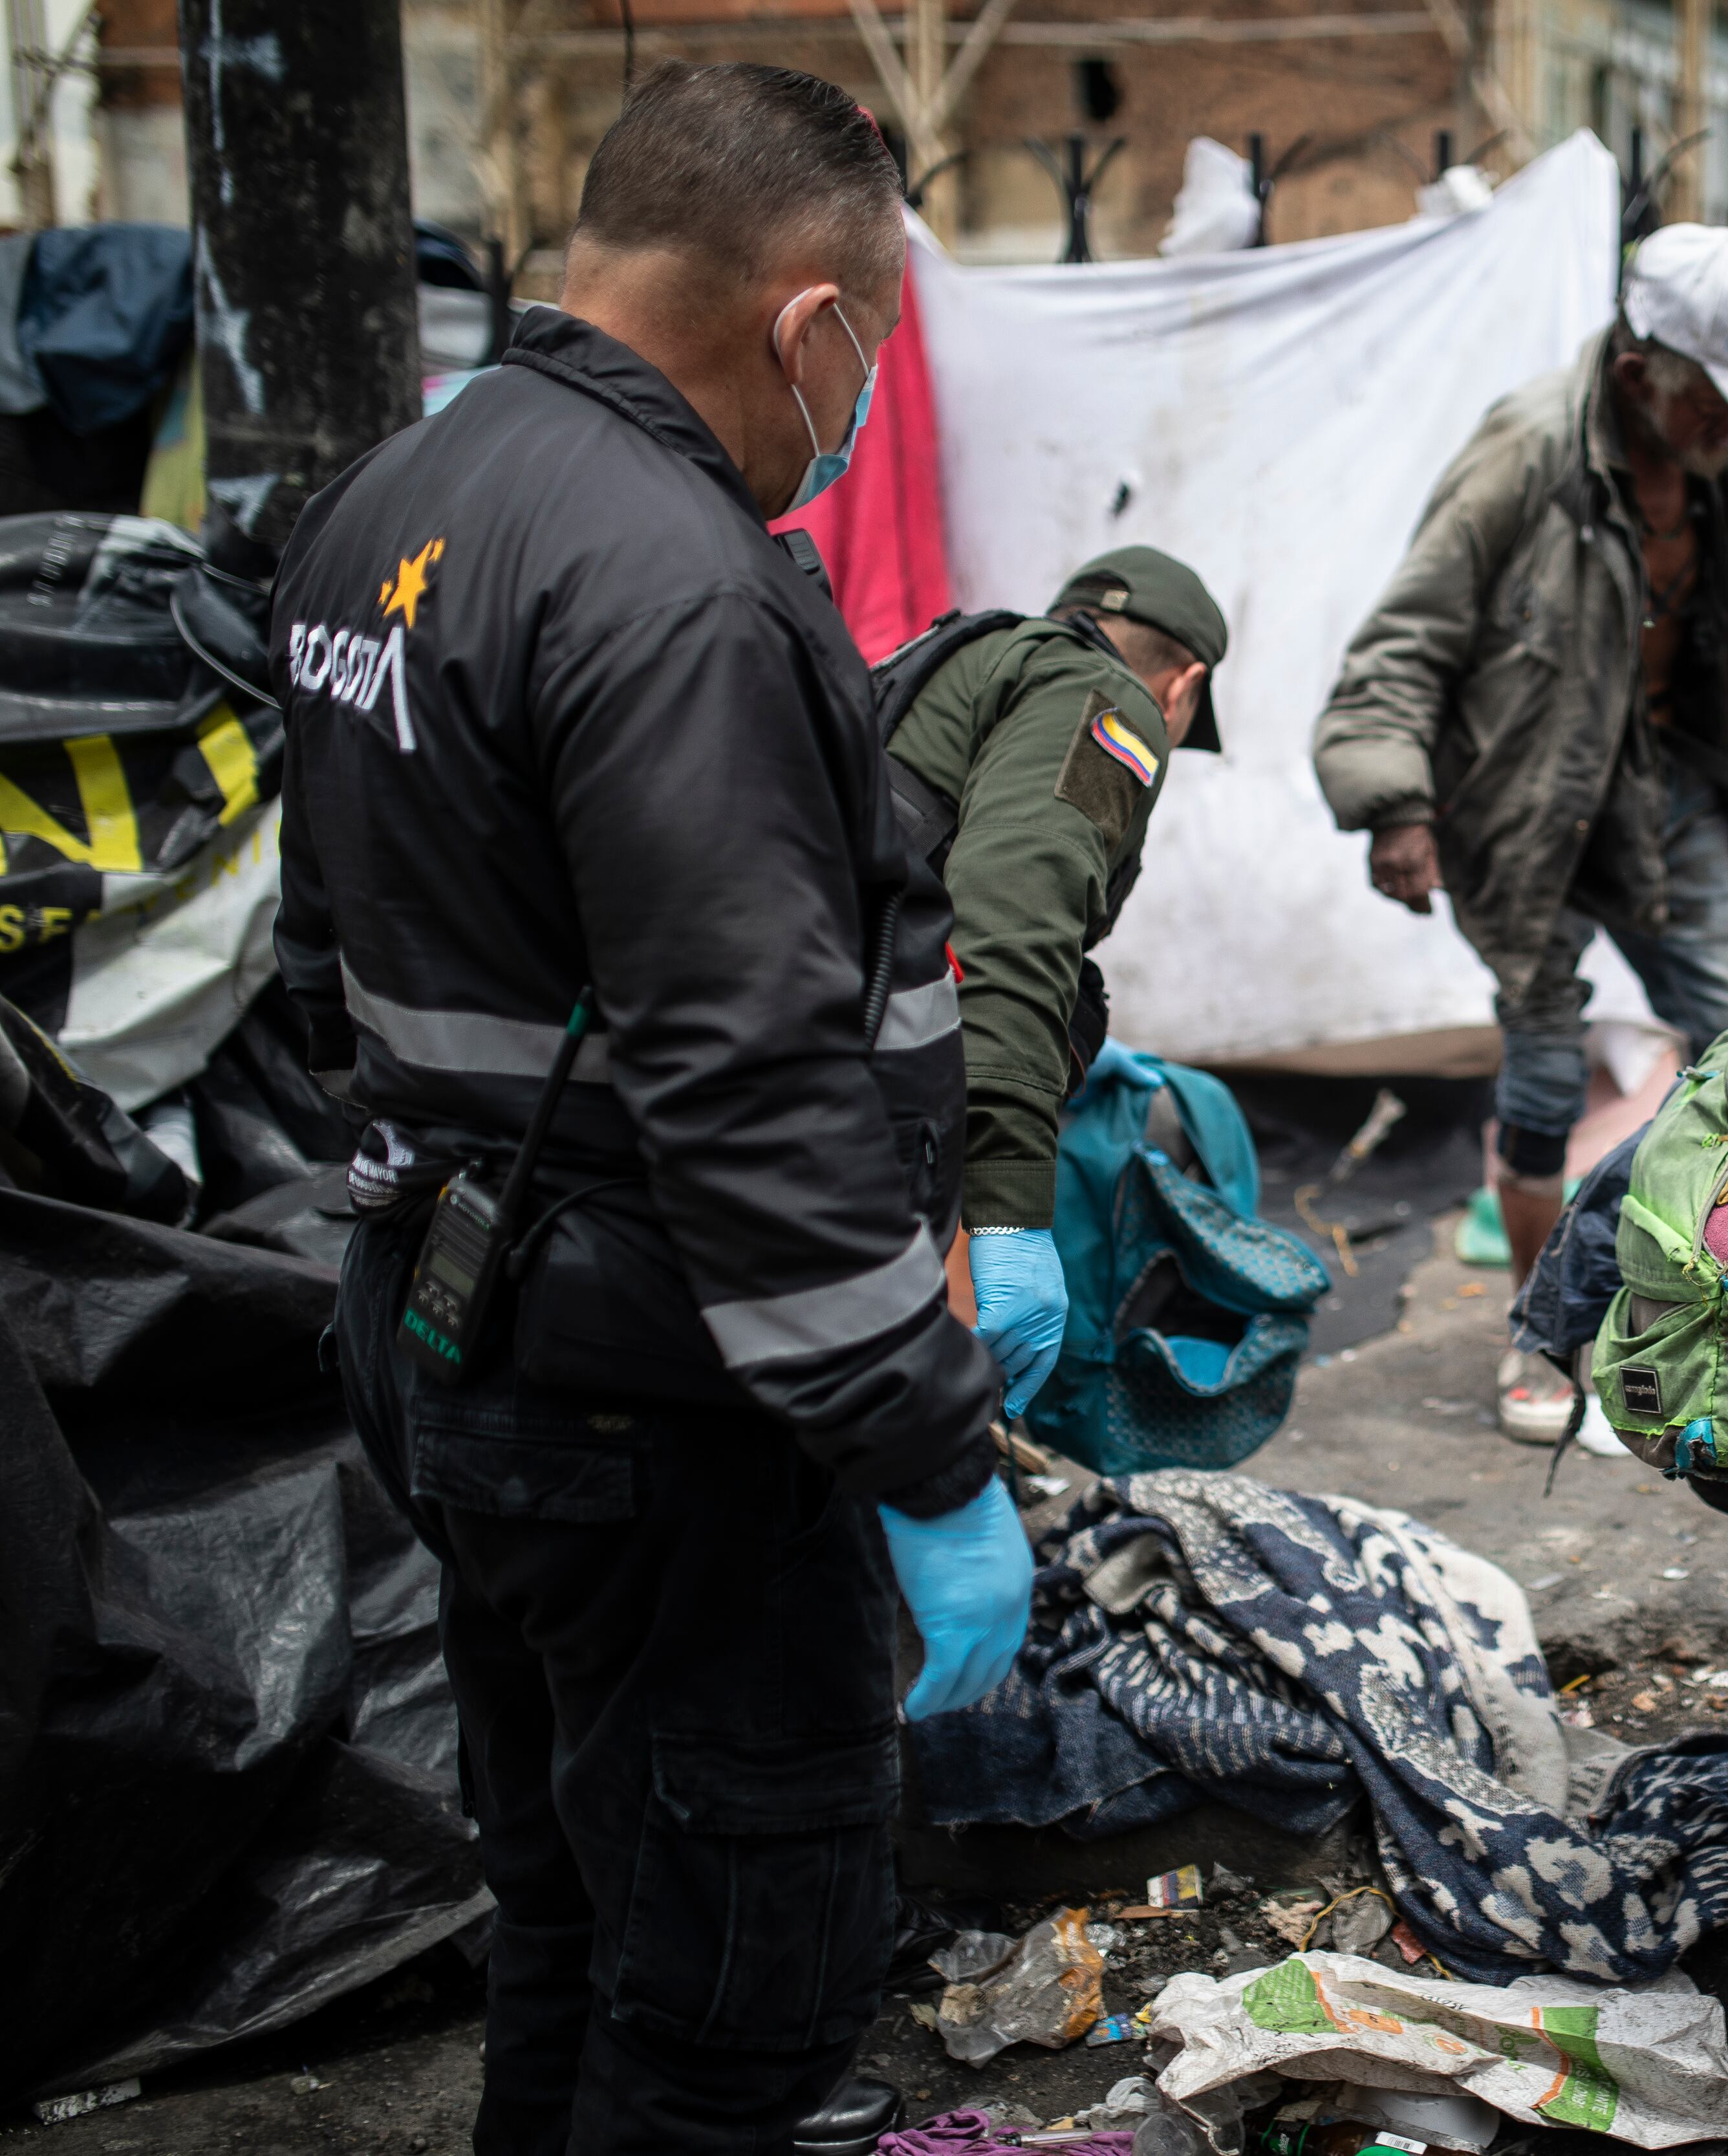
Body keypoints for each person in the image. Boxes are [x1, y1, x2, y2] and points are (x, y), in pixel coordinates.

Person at [272, 65, 1031, 2156]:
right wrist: (924, 1446)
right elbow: (751, 1083)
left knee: (567, 1916)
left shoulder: (385, 503)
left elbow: (318, 962)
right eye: (866, 353)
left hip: (458, 1334)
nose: (854, 409)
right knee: (727, 2010)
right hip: (658, 1408)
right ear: (810, 325)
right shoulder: (679, 581)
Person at [1314, 222, 1728, 1441]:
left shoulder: (1727, 468)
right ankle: (1541, 1331)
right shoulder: (1525, 453)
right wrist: (1396, 804)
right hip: (1530, 801)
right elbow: (1405, 641)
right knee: (1548, 1073)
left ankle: (1712, 1307)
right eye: (1707, 398)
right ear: (1634, 371)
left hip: (1673, 790)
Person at [882, 545, 1227, 1419]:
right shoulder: (1110, 700)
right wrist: (1008, 1213)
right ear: (1183, 686)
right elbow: (1008, 927)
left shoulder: (972, 657)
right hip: (869, 1062)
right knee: (1070, 1002)